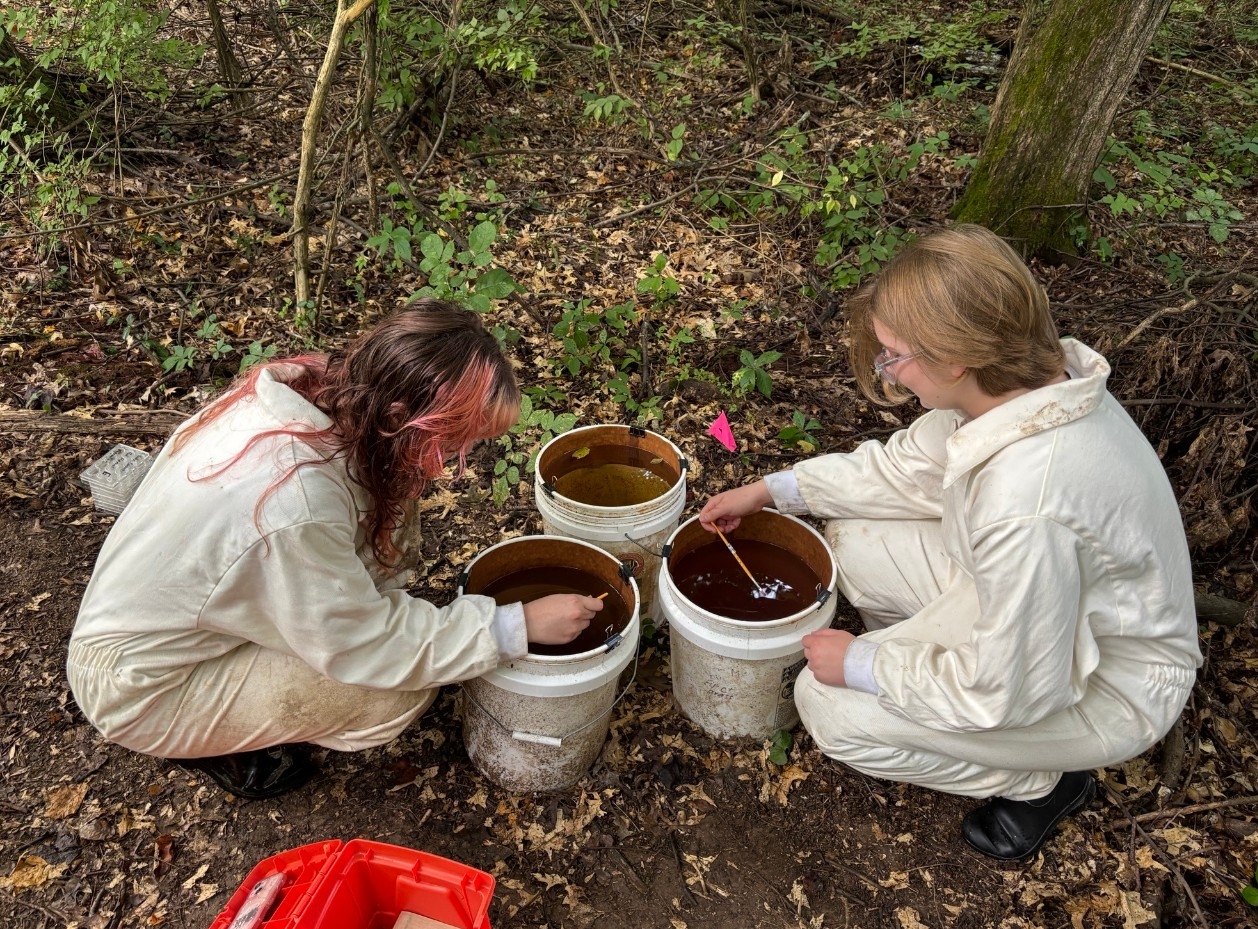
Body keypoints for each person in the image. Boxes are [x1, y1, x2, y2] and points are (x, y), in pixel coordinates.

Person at [700, 225, 1200, 861]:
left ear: (954, 356)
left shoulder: (1030, 506)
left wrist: (862, 666)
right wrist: (770, 491)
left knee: (828, 705)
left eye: (893, 355)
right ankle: (924, 680)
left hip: (1101, 680)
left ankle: (1044, 782)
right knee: (852, 535)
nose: (887, 370)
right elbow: (901, 471)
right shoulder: (1024, 388)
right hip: (1029, 612)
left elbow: (1006, 690)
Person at [68, 301, 603, 799]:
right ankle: (220, 744)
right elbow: (363, 646)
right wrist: (515, 625)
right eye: (455, 442)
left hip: (175, 619)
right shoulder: (292, 504)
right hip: (140, 687)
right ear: (403, 414)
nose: (456, 462)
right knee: (394, 695)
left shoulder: (330, 394)